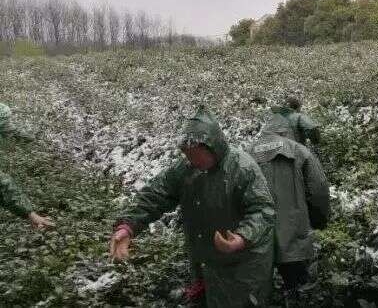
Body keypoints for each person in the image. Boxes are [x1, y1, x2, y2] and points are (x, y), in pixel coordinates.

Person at [109, 107, 275, 307]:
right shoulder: (186, 169)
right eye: (188, 156)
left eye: (196, 155)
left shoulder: (242, 168)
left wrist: (242, 237)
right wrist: (128, 226)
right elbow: (156, 193)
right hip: (206, 262)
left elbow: (263, 210)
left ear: (213, 148)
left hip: (244, 265)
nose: (192, 161)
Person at [249, 112, 330, 297]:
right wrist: (319, 221)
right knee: (299, 288)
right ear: (286, 132)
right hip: (294, 237)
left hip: (256, 238)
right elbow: (319, 190)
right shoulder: (299, 151)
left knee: (259, 294)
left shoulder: (246, 154)